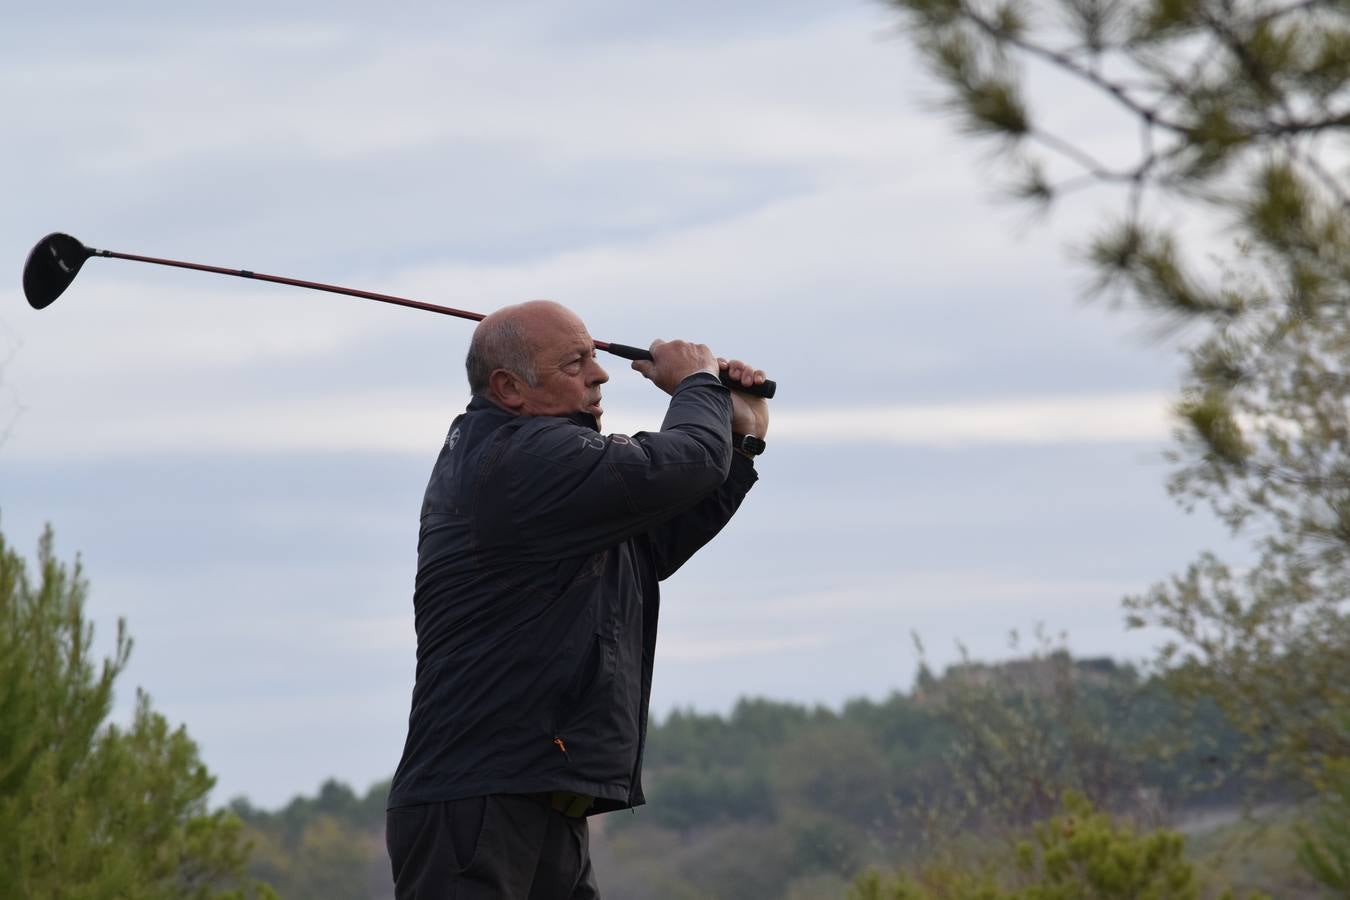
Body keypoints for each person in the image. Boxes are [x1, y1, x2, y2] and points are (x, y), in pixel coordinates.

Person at [385, 300, 770, 898]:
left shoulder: (554, 477)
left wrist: (741, 440)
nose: (601, 373)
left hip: (538, 795)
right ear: (510, 388)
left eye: (594, 355)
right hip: (478, 801)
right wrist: (696, 384)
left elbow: (653, 541)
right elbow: (681, 466)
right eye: (575, 363)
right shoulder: (519, 458)